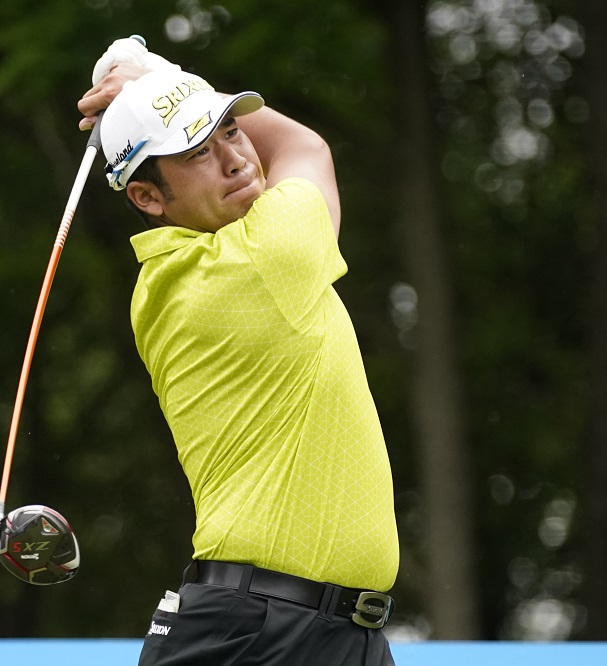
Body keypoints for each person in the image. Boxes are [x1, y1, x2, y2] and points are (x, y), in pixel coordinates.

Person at [77, 38, 400, 666]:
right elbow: (305, 147)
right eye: (197, 152)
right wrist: (167, 76)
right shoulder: (262, 259)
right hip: (260, 633)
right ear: (147, 198)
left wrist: (166, 92)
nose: (235, 160)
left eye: (229, 130)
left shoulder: (167, 278)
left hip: (322, 633)